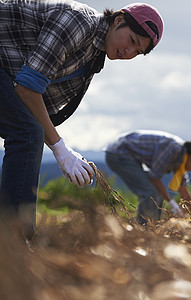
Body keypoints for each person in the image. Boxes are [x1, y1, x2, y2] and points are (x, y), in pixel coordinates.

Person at [0, 0, 164, 239]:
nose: (128, 53)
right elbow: (27, 89)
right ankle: (14, 239)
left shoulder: (93, 58)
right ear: (118, 20)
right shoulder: (77, 22)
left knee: (29, 131)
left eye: (136, 52)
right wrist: (60, 149)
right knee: (28, 133)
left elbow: (37, 107)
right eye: (131, 41)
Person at [104, 130, 191, 224]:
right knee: (150, 193)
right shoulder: (173, 149)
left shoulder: (181, 161)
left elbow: (183, 190)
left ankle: (154, 227)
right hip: (119, 153)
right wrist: (171, 202)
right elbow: (154, 177)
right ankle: (145, 230)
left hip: (129, 156)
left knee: (157, 194)